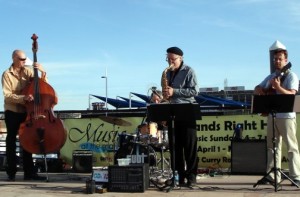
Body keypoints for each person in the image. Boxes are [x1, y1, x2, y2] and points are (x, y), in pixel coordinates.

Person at [254, 48, 300, 186]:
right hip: (272, 115)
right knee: (272, 147)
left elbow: (292, 94)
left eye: (280, 59)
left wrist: (278, 87)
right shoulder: (271, 76)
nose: (277, 61)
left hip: (286, 116)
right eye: (275, 59)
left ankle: (296, 176)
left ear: (285, 60)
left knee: (291, 147)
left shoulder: (291, 76)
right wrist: (261, 90)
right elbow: (257, 88)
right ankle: (273, 175)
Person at [2, 49, 47, 181]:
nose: (24, 62)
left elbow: (42, 85)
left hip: (27, 112)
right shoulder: (6, 74)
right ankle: (11, 172)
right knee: (10, 140)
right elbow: (7, 96)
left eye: (25, 59)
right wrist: (23, 98)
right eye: (21, 60)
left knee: (27, 141)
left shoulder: (28, 71)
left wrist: (43, 71)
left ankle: (29, 173)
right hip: (12, 111)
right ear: (14, 59)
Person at [162, 46, 199, 187]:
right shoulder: (168, 73)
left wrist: (174, 92)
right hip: (173, 112)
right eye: (168, 59)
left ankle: (191, 177)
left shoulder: (189, 71)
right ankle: (178, 176)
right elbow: (168, 93)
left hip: (187, 110)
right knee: (175, 147)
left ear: (181, 58)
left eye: (173, 59)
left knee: (189, 147)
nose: (170, 62)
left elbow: (195, 91)